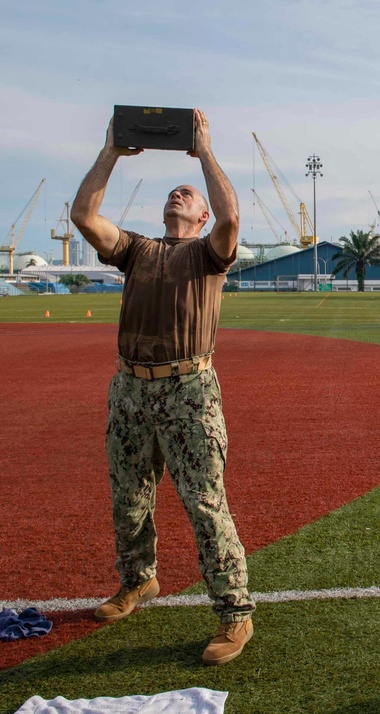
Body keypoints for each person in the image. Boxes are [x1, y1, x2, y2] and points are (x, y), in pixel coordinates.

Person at [71, 109, 256, 666]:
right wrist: (111, 150)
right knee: (128, 498)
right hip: (129, 388)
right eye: (175, 190)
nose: (181, 193)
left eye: (190, 194)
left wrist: (202, 154)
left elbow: (232, 217)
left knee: (204, 503)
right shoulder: (138, 250)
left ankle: (234, 613)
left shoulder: (208, 253)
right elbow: (84, 215)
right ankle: (139, 580)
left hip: (188, 390)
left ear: (200, 214)